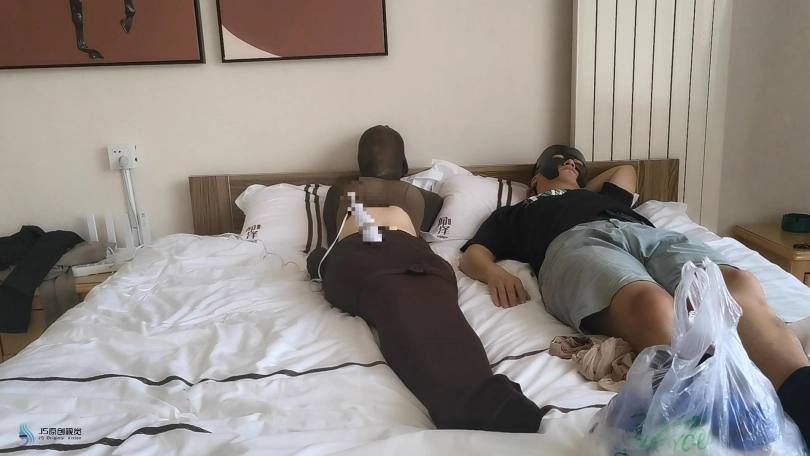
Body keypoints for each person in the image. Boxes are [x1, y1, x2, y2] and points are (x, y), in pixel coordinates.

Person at [459, 144, 810, 444]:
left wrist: (576, 183)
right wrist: (495, 273)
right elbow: (474, 253)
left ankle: (802, 395)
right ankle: (729, 416)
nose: (570, 162)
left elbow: (626, 170)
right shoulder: (518, 210)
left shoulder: (603, 197)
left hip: (646, 234)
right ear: (534, 179)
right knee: (650, 303)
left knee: (735, 285)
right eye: (559, 159)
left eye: (576, 161)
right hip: (574, 243)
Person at [307, 126, 546, 433]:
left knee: (401, 299)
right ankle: (469, 396)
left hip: (361, 254)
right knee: (425, 300)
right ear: (403, 163)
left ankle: (470, 395)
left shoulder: (342, 191)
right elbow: (433, 221)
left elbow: (331, 241)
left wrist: (321, 263)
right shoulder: (418, 194)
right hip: (402, 254)